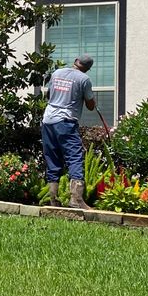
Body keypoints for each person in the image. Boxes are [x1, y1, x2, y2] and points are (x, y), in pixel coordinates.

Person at [41, 55, 96, 210]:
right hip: (65, 122)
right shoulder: (84, 79)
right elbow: (91, 105)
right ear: (88, 68)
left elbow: (49, 95)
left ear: (75, 61)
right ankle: (76, 199)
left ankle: (53, 198)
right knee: (74, 157)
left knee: (52, 158)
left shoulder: (57, 73)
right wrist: (91, 100)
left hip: (48, 120)